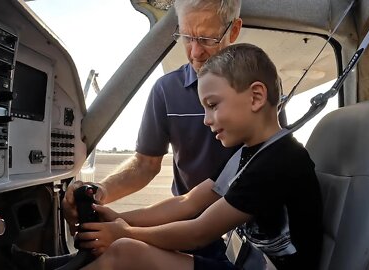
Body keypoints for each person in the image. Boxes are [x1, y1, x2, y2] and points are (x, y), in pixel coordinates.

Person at [10, 1, 243, 269]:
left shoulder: (251, 101)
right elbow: (179, 195)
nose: (195, 51)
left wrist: (124, 229)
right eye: (187, 36)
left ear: (233, 30)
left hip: (218, 232)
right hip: (182, 222)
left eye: (206, 37)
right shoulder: (167, 90)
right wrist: (102, 196)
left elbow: (201, 222)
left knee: (124, 250)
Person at [77, 43, 323, 270]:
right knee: (126, 247)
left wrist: (125, 233)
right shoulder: (248, 154)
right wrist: (121, 220)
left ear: (256, 97)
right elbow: (188, 202)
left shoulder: (278, 161)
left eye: (213, 105)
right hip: (243, 262)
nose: (206, 120)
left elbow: (198, 232)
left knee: (125, 251)